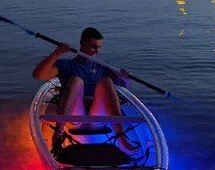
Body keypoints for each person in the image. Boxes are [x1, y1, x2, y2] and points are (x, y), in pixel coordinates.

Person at [32, 26, 140, 154]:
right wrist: (58, 53)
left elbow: (124, 88)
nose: (96, 51)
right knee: (76, 81)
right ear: (82, 43)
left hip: (97, 118)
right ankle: (57, 135)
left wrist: (126, 78)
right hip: (75, 117)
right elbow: (38, 75)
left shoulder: (103, 67)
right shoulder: (66, 64)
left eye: (99, 47)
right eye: (93, 47)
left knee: (107, 82)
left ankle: (121, 137)